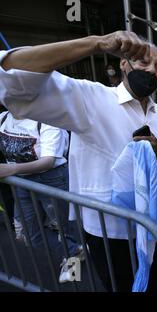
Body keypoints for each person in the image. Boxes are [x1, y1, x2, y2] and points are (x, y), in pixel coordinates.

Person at [0, 31, 157, 292]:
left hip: (152, 220)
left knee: (156, 282)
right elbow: (13, 83)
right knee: (119, 285)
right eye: (142, 62)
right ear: (123, 63)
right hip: (108, 228)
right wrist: (95, 43)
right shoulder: (91, 98)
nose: (151, 71)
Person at [0, 111, 82, 282]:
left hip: (52, 179)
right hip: (22, 183)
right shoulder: (3, 118)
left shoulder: (47, 119)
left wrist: (12, 169)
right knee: (27, 235)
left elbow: (49, 161)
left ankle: (74, 272)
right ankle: (75, 250)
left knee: (66, 229)